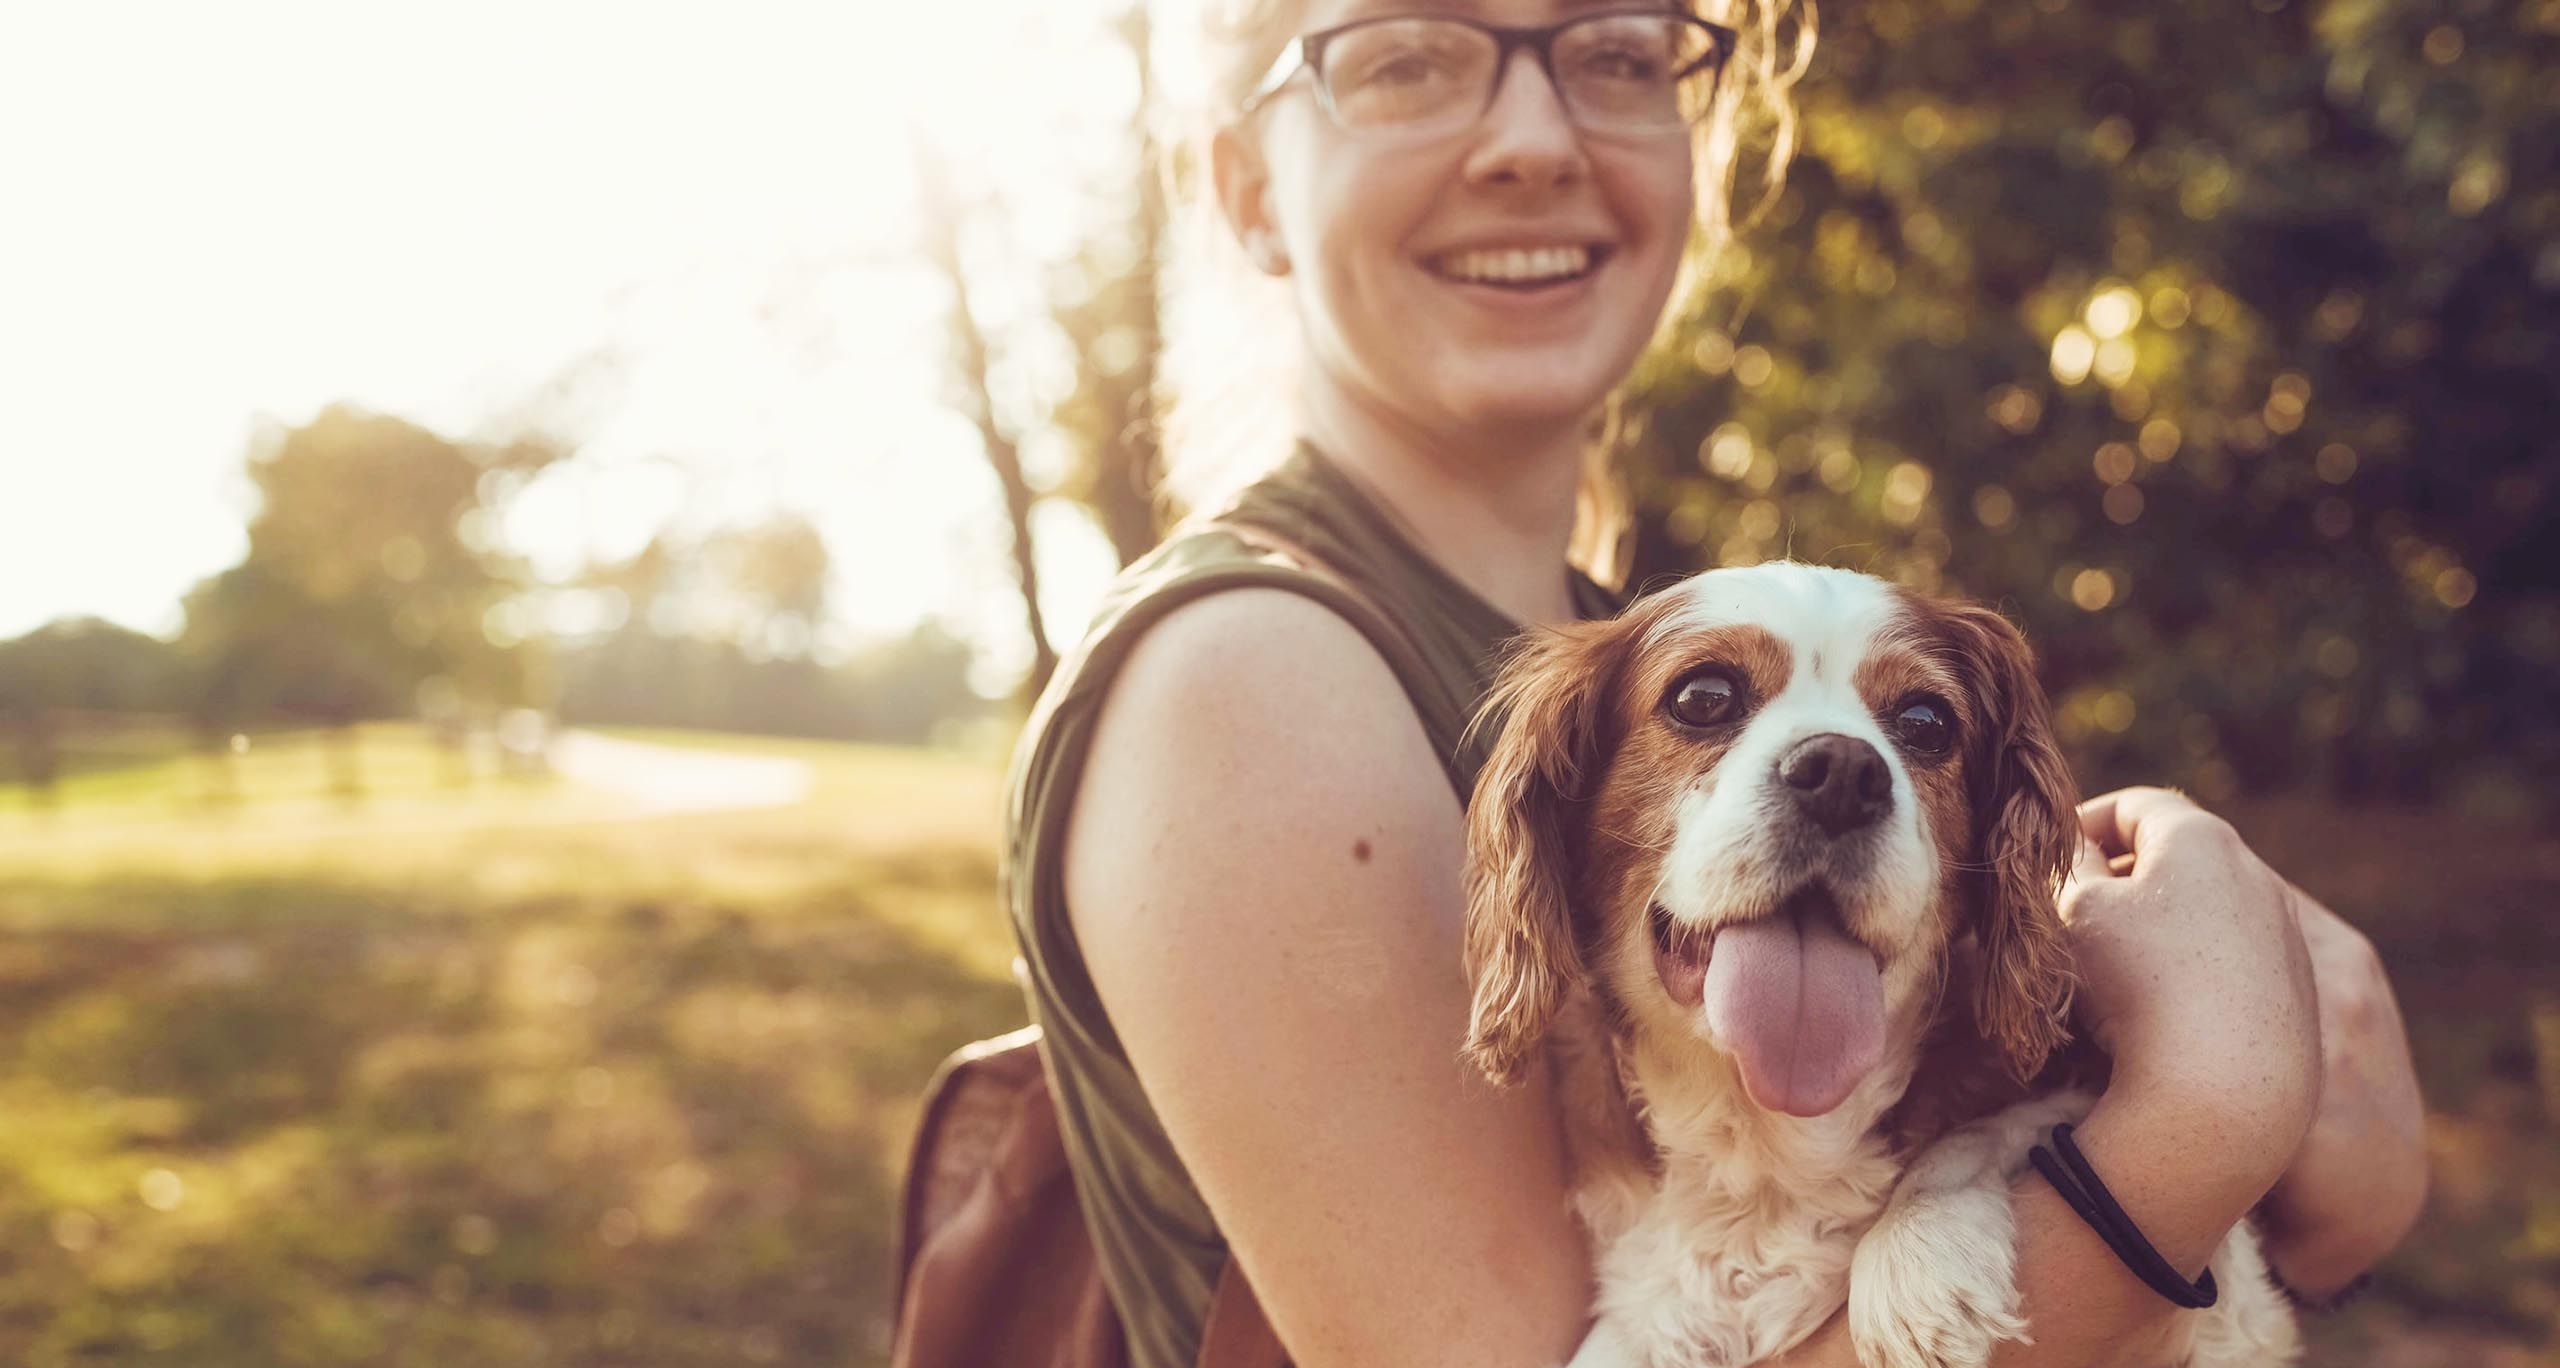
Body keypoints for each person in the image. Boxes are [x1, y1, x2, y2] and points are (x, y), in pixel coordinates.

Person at [1003, 2, 2429, 1365]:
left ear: (1702, 150)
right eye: (1406, 58)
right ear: (1249, 188)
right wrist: (2207, 1120)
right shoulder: (1246, 677)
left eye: (1617, 53)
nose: (1533, 139)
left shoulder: (1634, 632)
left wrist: (2330, 1171)